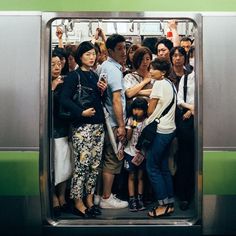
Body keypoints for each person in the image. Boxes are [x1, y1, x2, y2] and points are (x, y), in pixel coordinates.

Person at [60, 41, 107, 218]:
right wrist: (81, 112)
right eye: (87, 54)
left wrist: (103, 92)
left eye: (93, 54)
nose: (92, 57)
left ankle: (88, 199)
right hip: (82, 126)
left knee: (95, 166)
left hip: (97, 125)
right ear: (80, 57)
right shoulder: (74, 76)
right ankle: (77, 201)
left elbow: (98, 101)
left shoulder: (94, 76)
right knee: (82, 165)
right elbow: (64, 99)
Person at [98, 34, 128, 209]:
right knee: (113, 159)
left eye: (125, 47)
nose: (124, 52)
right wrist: (122, 125)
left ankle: (101, 194)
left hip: (106, 120)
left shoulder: (104, 67)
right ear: (110, 51)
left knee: (106, 159)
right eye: (119, 49)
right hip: (114, 122)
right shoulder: (113, 70)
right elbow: (117, 99)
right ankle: (107, 198)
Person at [146, 58, 176, 218]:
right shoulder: (169, 83)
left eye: (153, 69)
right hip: (170, 129)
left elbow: (150, 111)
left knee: (152, 167)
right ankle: (169, 203)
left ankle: (162, 205)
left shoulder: (158, 84)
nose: (150, 71)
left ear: (162, 72)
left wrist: (147, 104)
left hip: (160, 130)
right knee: (163, 167)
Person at [51, 54, 72, 218]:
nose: (57, 67)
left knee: (64, 164)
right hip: (50, 129)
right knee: (52, 165)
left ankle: (62, 195)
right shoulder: (44, 82)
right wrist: (52, 88)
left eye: (59, 64)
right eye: (53, 64)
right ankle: (53, 196)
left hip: (64, 128)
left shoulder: (66, 81)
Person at [124, 98, 148, 212]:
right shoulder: (130, 120)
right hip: (130, 152)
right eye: (134, 109)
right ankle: (132, 199)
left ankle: (140, 198)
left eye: (139, 109)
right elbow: (128, 138)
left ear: (144, 110)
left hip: (142, 153)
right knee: (131, 176)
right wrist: (131, 128)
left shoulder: (147, 121)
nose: (136, 112)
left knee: (141, 176)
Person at [176, 70, 195, 210]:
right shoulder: (186, 78)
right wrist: (192, 108)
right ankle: (185, 196)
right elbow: (180, 101)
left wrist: (194, 110)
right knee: (185, 159)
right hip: (187, 120)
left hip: (200, 117)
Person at [124, 46, 152, 115]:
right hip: (135, 115)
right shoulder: (129, 76)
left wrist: (137, 92)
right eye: (141, 59)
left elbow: (156, 92)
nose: (145, 62)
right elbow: (129, 94)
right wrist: (144, 81)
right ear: (136, 60)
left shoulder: (154, 76)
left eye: (147, 59)